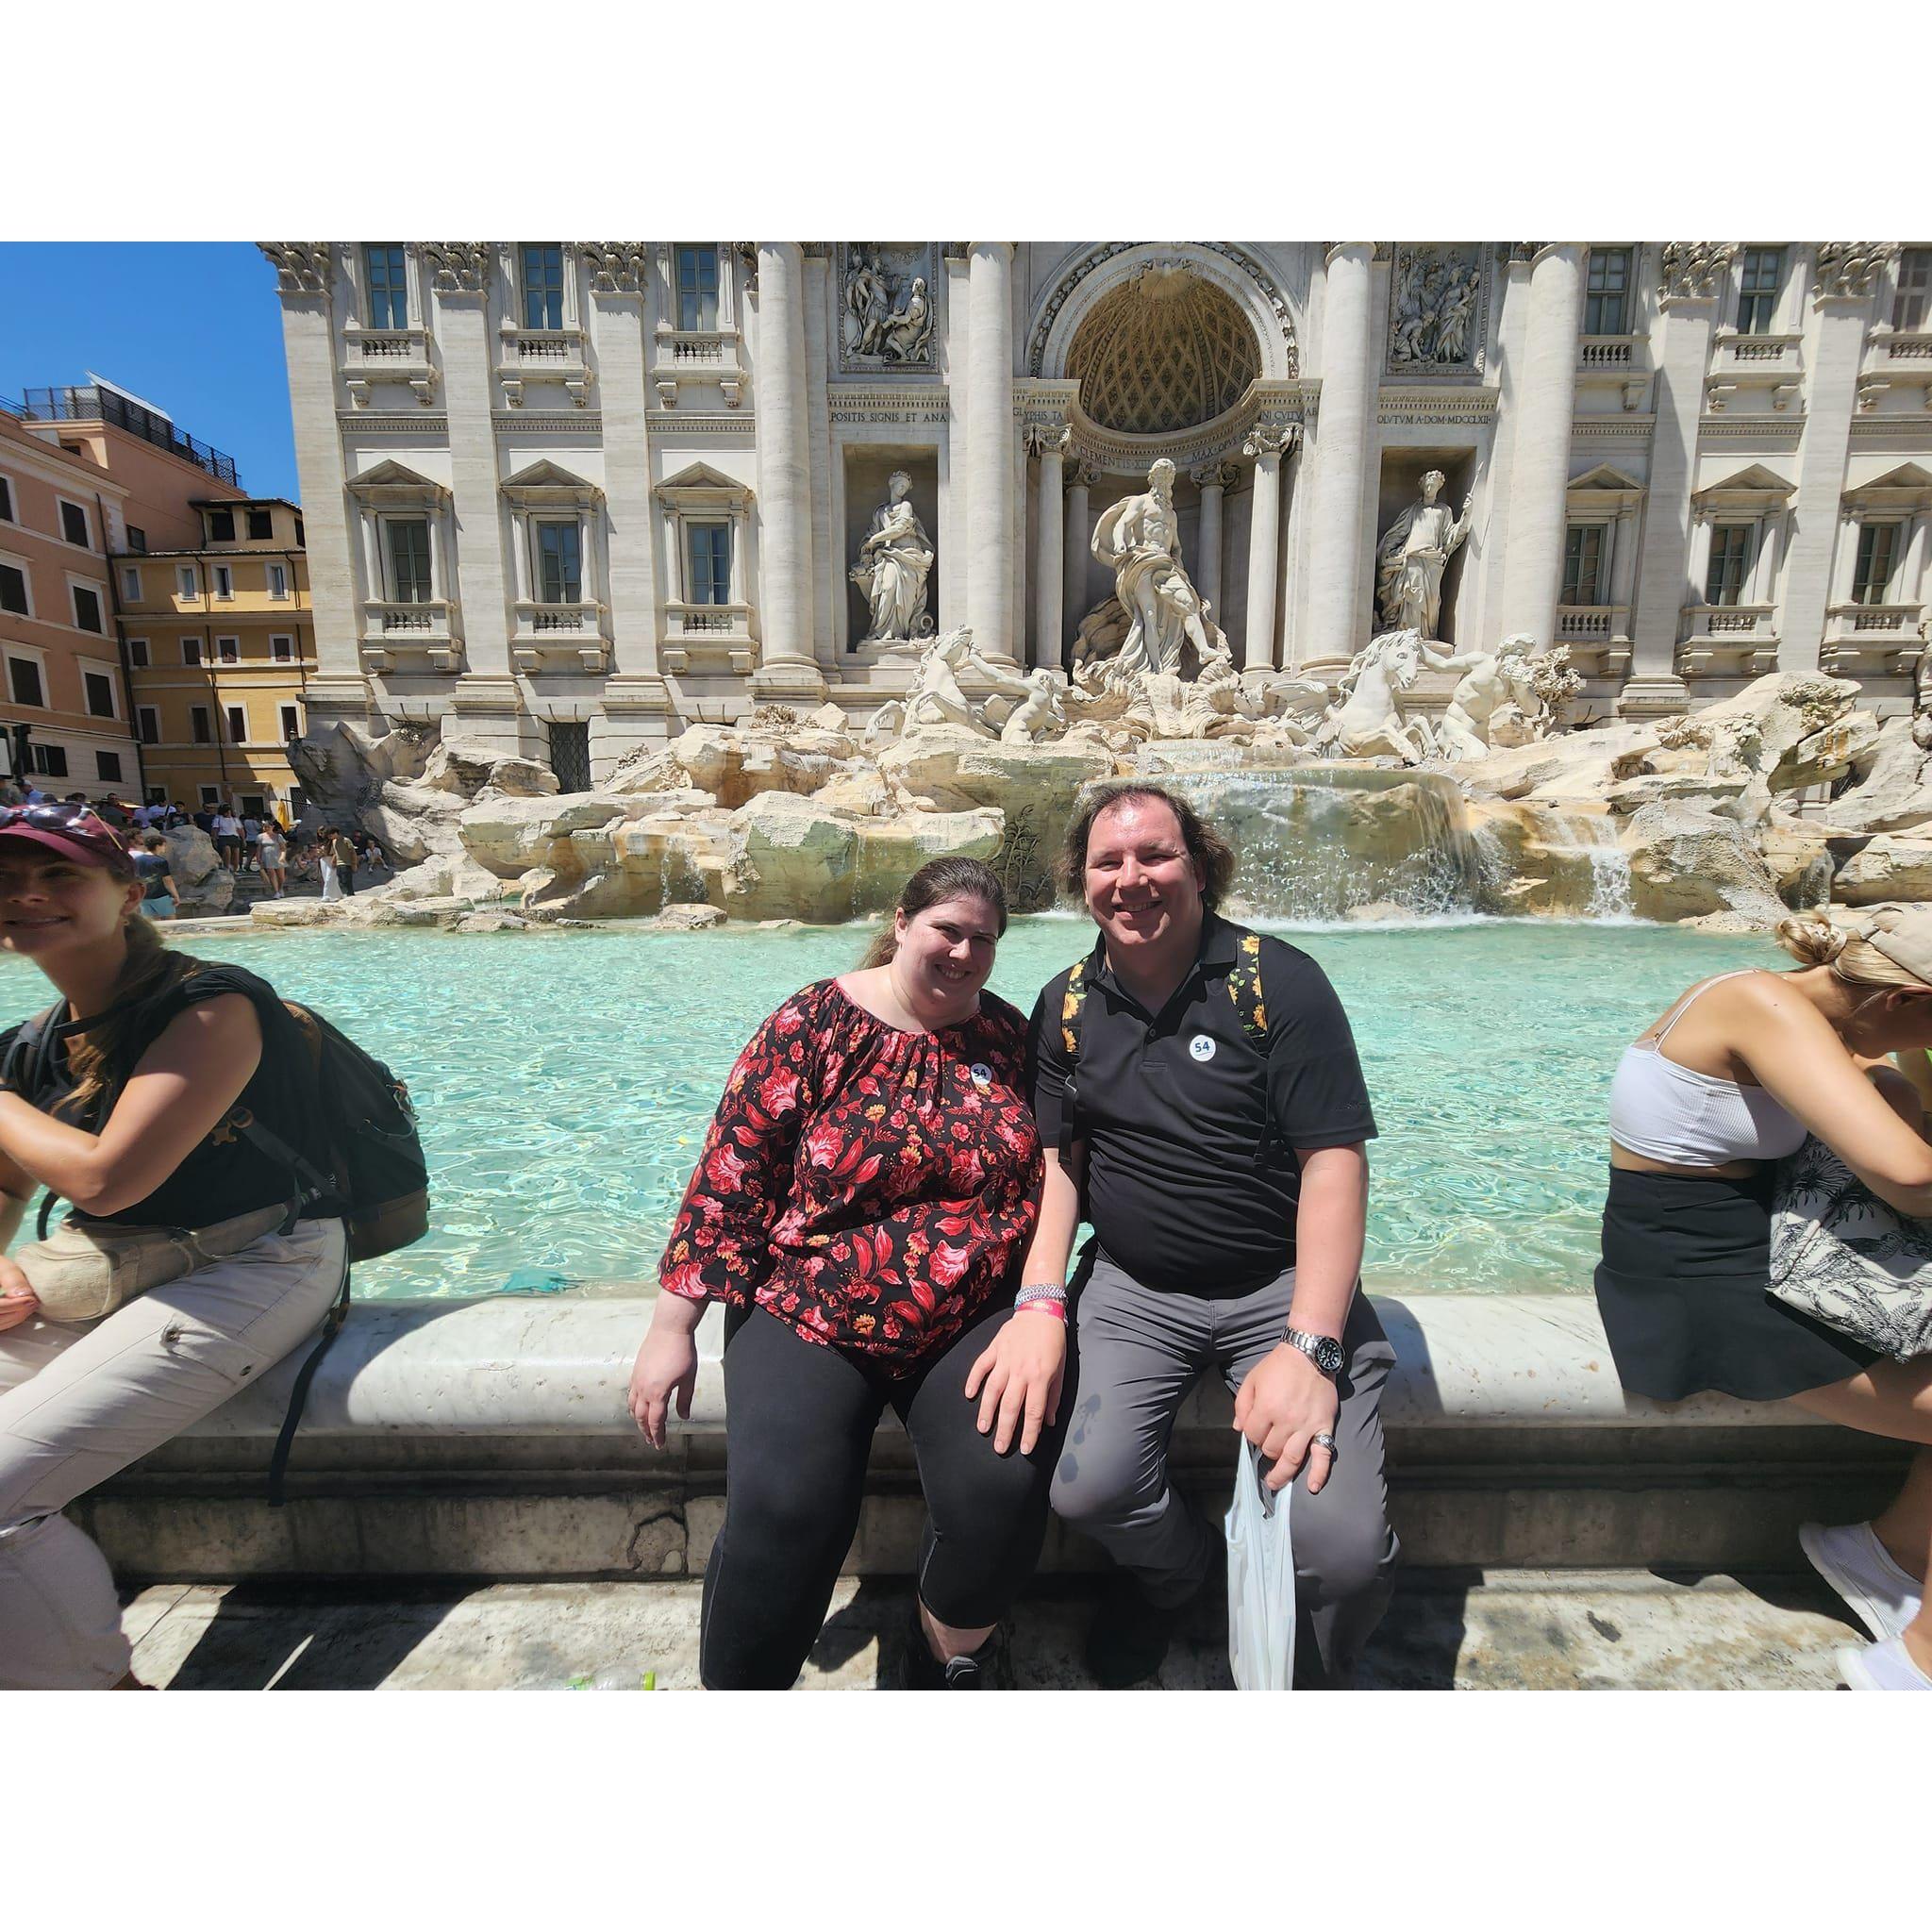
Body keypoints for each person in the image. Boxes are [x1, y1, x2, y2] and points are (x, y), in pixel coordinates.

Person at [628, 856, 1062, 1690]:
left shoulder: (1012, 1042)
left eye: (983, 940)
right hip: (810, 1305)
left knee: (1001, 1495)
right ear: (902, 924)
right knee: (788, 1512)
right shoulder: (814, 1022)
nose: (964, 953)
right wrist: (670, 1327)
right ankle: (740, 1690)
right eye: (947, 930)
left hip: (968, 1313)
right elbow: (734, 1172)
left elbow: (1058, 1175)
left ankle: (943, 1648)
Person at [1024, 781, 1397, 1688]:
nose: (1132, 878)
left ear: (1200, 866)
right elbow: (1062, 1165)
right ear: (1083, 880)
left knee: (1342, 1550)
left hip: (1278, 1286)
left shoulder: (1280, 983)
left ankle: (1318, 1662)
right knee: (1087, 1488)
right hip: (1134, 1291)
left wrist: (1311, 1343)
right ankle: (1183, 1578)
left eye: (1155, 854)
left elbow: (1333, 1166)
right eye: (1109, 861)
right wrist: (1039, 1298)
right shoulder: (1065, 1004)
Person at [0, 802, 346, 1689]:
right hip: (115, 1264)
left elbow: (109, 1179)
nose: (27, 895)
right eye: (6, 881)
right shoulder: (30, 1048)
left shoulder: (212, 1003)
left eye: (58, 876)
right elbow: (8, 1187)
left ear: (127, 893)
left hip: (259, 1258)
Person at [1595, 910, 1932, 1693]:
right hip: (1697, 1281)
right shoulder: (1752, 1000)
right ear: (1900, 999)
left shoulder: (1814, 1025)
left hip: (1769, 1259)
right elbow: (1910, 1178)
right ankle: (1912, 1664)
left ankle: (1885, 1554)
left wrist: (1893, 1079)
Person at [129, 832, 179, 921]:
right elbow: (168, 880)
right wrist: (176, 895)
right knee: (171, 921)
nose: (165, 848)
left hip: (144, 896)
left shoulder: (137, 860)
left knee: (154, 924)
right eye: (164, 845)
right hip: (160, 896)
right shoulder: (161, 861)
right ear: (157, 846)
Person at [257, 822, 288, 899]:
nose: (266, 828)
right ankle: (276, 891)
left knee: (281, 877)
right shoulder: (260, 837)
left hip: (278, 857)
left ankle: (280, 888)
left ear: (272, 827)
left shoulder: (278, 836)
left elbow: (283, 848)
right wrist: (258, 857)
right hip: (267, 857)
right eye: (265, 827)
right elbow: (259, 848)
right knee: (271, 874)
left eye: (268, 827)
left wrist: (283, 857)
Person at [211, 808, 242, 872]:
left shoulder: (235, 819)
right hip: (223, 836)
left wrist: (243, 839)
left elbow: (240, 829)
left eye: (229, 812)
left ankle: (235, 869)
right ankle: (226, 867)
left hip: (234, 836)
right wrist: (214, 838)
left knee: (236, 854)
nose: (228, 813)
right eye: (226, 812)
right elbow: (215, 829)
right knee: (227, 852)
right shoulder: (218, 819)